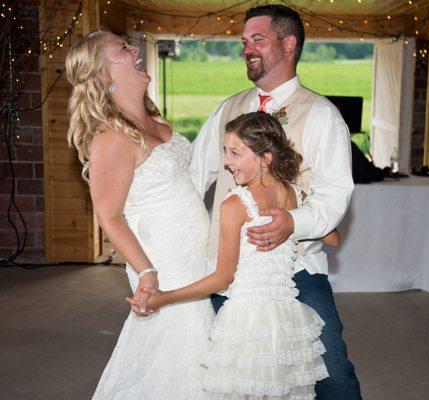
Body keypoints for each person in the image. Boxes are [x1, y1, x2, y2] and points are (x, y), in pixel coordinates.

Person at [190, 5, 361, 399]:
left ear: (288, 44)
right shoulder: (226, 109)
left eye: (257, 39)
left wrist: (291, 223)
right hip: (230, 272)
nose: (247, 48)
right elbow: (194, 179)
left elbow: (335, 194)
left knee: (330, 373)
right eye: (244, 41)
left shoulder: (322, 115)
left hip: (296, 269)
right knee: (238, 377)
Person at [134, 111, 332, 399]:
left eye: (235, 153)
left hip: (248, 321)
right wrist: (297, 220)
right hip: (286, 318)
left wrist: (165, 297)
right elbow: (332, 235)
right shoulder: (296, 195)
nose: (227, 162)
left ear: (266, 158)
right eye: (226, 151)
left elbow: (222, 278)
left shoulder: (236, 204)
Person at [65, 29, 213, 399]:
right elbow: (109, 215)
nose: (134, 49)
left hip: (196, 255)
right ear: (102, 74)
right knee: (179, 351)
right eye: (122, 48)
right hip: (163, 262)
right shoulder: (112, 137)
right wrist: (147, 272)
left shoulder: (153, 119)